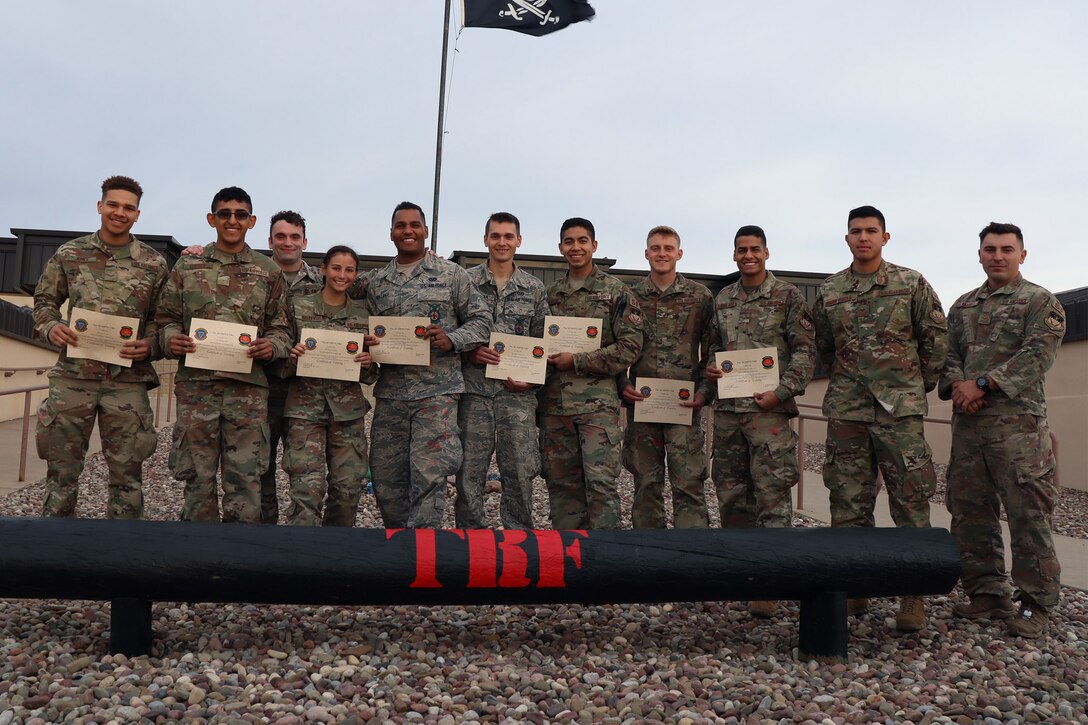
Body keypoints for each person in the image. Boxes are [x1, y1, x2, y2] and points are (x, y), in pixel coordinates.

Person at [812, 205, 948, 632]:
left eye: (871, 231)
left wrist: (911, 388)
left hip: (898, 413)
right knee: (847, 503)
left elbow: (935, 341)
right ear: (847, 238)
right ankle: (855, 585)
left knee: (910, 500)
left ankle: (913, 594)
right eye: (856, 231)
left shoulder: (910, 283)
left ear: (885, 237)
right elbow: (825, 346)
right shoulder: (830, 290)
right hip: (848, 410)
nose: (863, 237)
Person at [941, 222, 1066, 638]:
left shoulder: (1039, 301)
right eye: (990, 249)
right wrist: (959, 387)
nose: (998, 256)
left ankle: (1036, 604)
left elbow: (1037, 356)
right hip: (969, 428)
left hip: (1018, 431)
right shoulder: (962, 306)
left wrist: (981, 384)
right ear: (979, 255)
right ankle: (988, 593)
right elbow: (947, 354)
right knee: (970, 513)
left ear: (1022, 255)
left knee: (1028, 516)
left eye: (1007, 249)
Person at [32, 175, 168, 519]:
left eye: (128, 208)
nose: (120, 212)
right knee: (61, 474)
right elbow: (45, 301)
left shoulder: (153, 263)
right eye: (113, 205)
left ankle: (122, 546)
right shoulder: (70, 253)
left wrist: (150, 345)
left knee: (127, 477)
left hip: (126, 381)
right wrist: (51, 327)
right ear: (100, 206)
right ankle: (55, 543)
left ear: (137, 214)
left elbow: (163, 319)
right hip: (73, 378)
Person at [156, 186, 293, 523]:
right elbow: (165, 318)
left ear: (251, 221)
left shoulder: (267, 271)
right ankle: (200, 550)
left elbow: (282, 328)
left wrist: (271, 346)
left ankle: (239, 551)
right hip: (197, 391)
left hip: (246, 394)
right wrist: (172, 339)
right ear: (211, 218)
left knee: (245, 483)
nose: (232, 220)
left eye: (240, 214)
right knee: (197, 481)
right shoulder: (188, 265)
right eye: (224, 214)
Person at [703, 225, 816, 618]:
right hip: (729, 414)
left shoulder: (788, 296)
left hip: (768, 414)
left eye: (755, 249)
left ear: (766, 253)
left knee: (771, 497)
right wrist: (711, 368)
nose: (748, 255)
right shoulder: (723, 299)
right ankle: (740, 574)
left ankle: (770, 582)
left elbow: (805, 352)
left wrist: (782, 392)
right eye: (741, 250)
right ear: (734, 255)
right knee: (732, 497)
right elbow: (714, 348)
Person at [367, 201, 492, 528]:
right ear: (391, 232)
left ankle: (423, 549)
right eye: (400, 225)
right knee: (386, 479)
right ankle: (399, 545)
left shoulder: (451, 275)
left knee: (429, 474)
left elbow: (482, 321)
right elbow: (333, 284)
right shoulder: (376, 282)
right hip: (391, 395)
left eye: (414, 225)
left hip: (437, 394)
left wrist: (452, 339)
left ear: (425, 230)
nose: (407, 231)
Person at [538, 217, 643, 529]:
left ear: (594, 245)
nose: (576, 247)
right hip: (555, 408)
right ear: (560, 248)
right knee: (562, 488)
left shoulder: (616, 292)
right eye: (569, 242)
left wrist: (578, 361)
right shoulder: (549, 295)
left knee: (601, 486)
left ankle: (604, 553)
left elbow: (630, 346)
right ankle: (568, 554)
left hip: (597, 409)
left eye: (582, 241)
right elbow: (536, 345)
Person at [456, 212, 549, 529]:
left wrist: (532, 381)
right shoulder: (464, 281)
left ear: (519, 241)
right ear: (485, 239)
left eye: (509, 236)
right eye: (495, 236)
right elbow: (451, 331)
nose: (502, 242)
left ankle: (518, 539)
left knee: (520, 473)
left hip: (516, 397)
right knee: (469, 473)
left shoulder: (534, 288)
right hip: (474, 394)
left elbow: (543, 344)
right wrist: (469, 351)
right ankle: (469, 539)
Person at [620, 225, 713, 530]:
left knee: (688, 483)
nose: (662, 254)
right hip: (643, 405)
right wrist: (622, 384)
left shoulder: (699, 296)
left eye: (668, 248)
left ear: (679, 253)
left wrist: (704, 391)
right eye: (656, 248)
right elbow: (617, 344)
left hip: (683, 407)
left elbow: (712, 349)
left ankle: (691, 549)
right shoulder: (630, 296)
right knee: (646, 483)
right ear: (646, 253)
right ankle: (649, 548)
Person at [282, 246, 378, 526]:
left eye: (349, 270)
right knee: (306, 489)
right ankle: (303, 547)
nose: (342, 275)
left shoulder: (363, 315)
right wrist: (291, 357)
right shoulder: (298, 307)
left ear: (356, 274)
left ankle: (336, 547)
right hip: (304, 411)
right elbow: (279, 359)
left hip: (347, 413)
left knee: (348, 488)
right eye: (336, 268)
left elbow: (373, 373)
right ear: (323, 269)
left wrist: (367, 364)